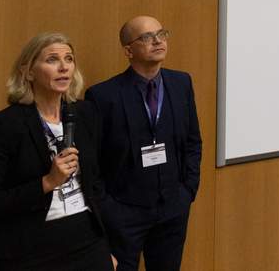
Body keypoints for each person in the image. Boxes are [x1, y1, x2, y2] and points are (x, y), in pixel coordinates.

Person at [0, 33, 114, 271]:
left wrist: (105, 248)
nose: (64, 67)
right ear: (28, 72)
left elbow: (95, 183)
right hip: (30, 244)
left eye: (69, 59)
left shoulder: (85, 113)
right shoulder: (6, 124)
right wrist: (47, 182)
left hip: (86, 239)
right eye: (52, 59)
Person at [85, 16, 201, 271]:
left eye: (161, 34)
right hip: (124, 212)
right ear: (128, 50)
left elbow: (193, 141)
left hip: (173, 208)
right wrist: (108, 208)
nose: (158, 41)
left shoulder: (181, 83)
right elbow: (91, 161)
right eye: (147, 37)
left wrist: (187, 190)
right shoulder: (103, 96)